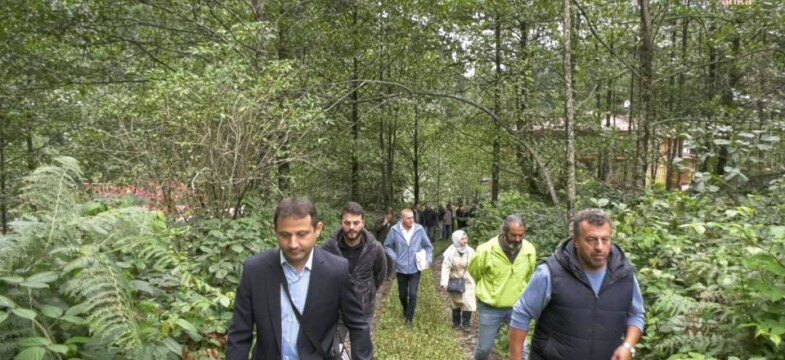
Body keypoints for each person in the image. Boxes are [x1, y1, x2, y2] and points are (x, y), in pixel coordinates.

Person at [226, 198, 372, 360]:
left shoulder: (336, 271)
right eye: (285, 235)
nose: (293, 244)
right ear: (275, 230)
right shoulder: (255, 270)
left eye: (301, 234)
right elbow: (239, 334)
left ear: (317, 229)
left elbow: (358, 325)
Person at [508, 208, 645, 360]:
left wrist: (627, 346)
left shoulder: (625, 275)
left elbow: (636, 315)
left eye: (605, 239)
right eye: (591, 240)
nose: (599, 247)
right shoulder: (550, 273)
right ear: (576, 241)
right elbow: (522, 314)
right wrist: (516, 357)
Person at [468, 215, 537, 360]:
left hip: (518, 307)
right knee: (484, 349)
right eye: (513, 235)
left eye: (521, 235)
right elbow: (475, 272)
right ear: (504, 231)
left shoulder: (529, 250)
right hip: (490, 307)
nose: (518, 239)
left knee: (522, 349)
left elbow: (529, 275)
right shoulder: (486, 250)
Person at [322, 202, 387, 342]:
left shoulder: (375, 248)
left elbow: (380, 274)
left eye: (356, 223)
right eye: (347, 223)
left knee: (362, 351)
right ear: (341, 222)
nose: (351, 227)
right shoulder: (328, 248)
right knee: (333, 350)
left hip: (363, 310)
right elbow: (322, 277)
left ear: (363, 223)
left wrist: (367, 291)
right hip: (335, 311)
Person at [384, 208, 434, 326]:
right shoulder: (394, 230)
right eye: (409, 218)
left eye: (413, 217)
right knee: (402, 295)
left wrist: (428, 259)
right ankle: (405, 309)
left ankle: (409, 319)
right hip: (401, 269)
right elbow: (387, 245)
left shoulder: (419, 229)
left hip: (415, 268)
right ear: (402, 218)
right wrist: (395, 258)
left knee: (412, 294)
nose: (412, 220)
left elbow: (428, 246)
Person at [439, 229, 476, 331]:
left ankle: (466, 324)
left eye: (465, 238)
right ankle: (456, 323)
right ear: (456, 240)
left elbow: (476, 266)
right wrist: (444, 282)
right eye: (462, 239)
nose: (465, 241)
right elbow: (445, 268)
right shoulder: (450, 253)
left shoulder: (471, 251)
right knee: (456, 303)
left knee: (468, 302)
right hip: (454, 280)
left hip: (467, 280)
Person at [374, 209, 396, 280]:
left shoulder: (395, 223)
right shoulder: (380, 221)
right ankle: (379, 274)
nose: (389, 218)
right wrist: (384, 224)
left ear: (392, 216)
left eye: (390, 217)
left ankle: (389, 275)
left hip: (390, 244)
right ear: (385, 215)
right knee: (380, 259)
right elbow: (376, 229)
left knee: (390, 259)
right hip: (381, 242)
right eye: (387, 216)